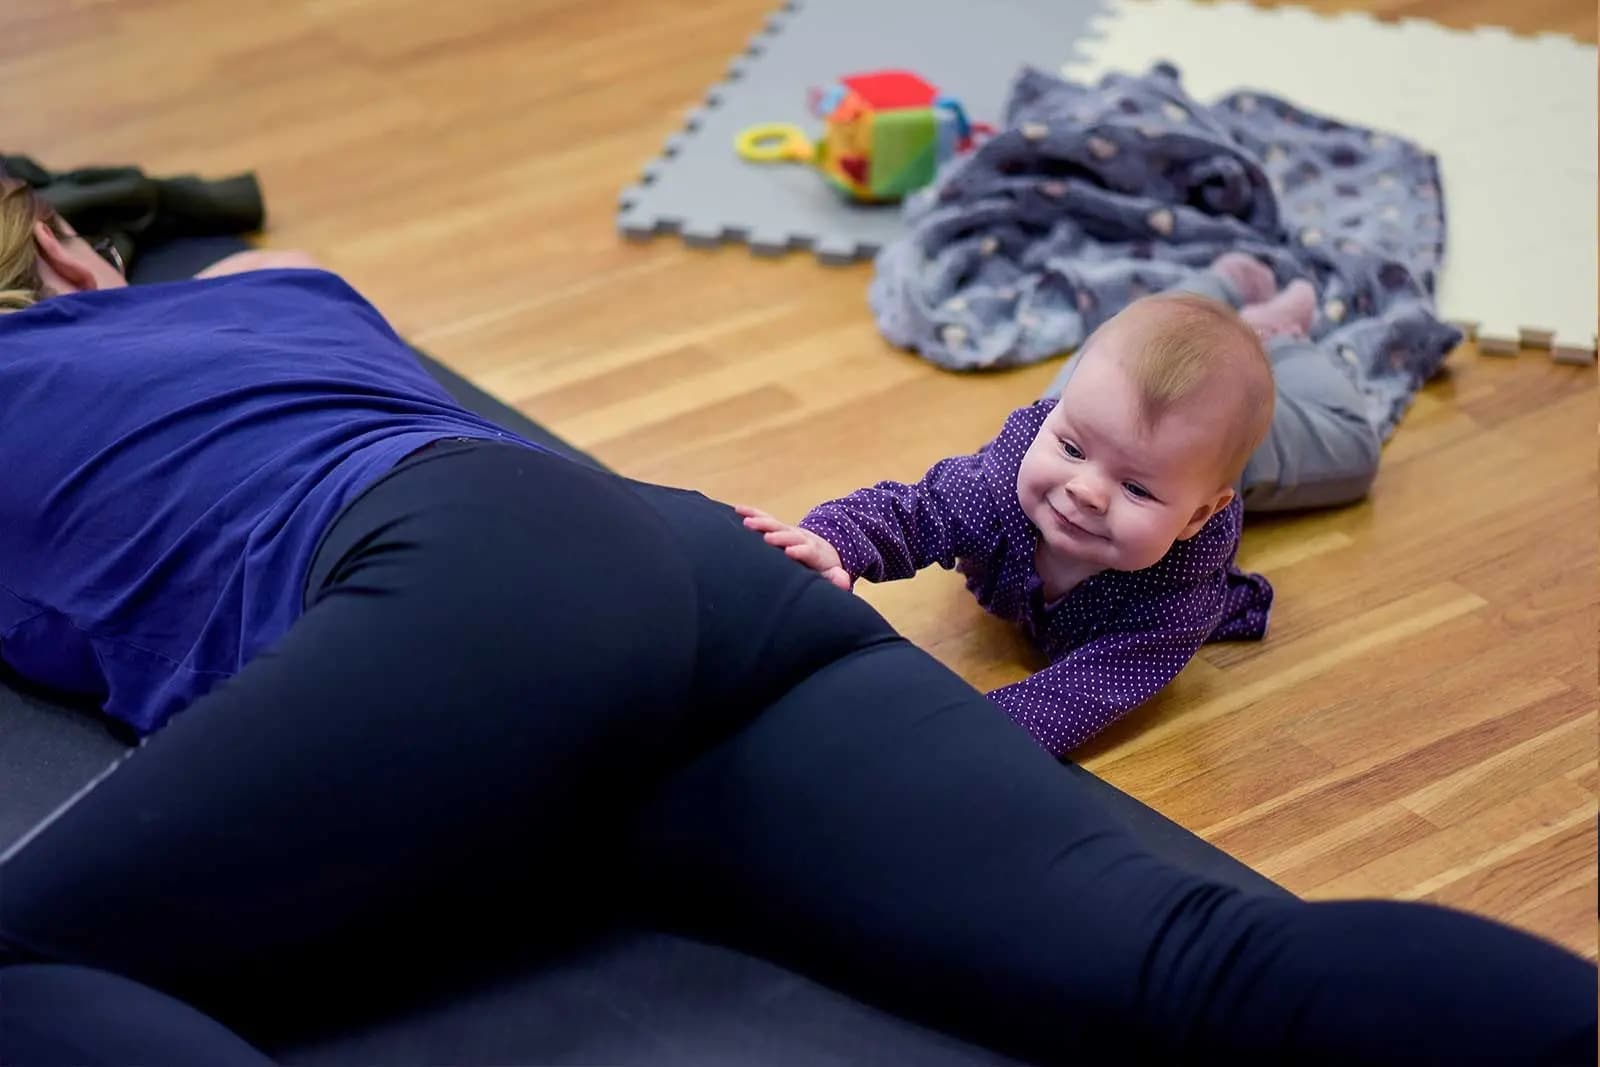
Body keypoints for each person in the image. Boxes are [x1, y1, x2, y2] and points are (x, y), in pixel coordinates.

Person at [0, 180, 1593, 1066]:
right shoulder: (273, 293)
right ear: (75, 251)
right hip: (690, 570)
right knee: (1195, 960)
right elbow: (254, 244)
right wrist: (106, 280)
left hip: (470, 587)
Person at [739, 280, 1278, 756]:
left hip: (1246, 455)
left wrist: (975, 734)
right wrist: (837, 542)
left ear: (1196, 516)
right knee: (1121, 388)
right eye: (1071, 448)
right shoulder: (995, 489)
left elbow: (1082, 692)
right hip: (1096, 416)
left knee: (1304, 442)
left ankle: (1278, 327)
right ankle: (1231, 286)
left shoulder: (1177, 601)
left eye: (1135, 488)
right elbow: (915, 511)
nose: (1086, 492)